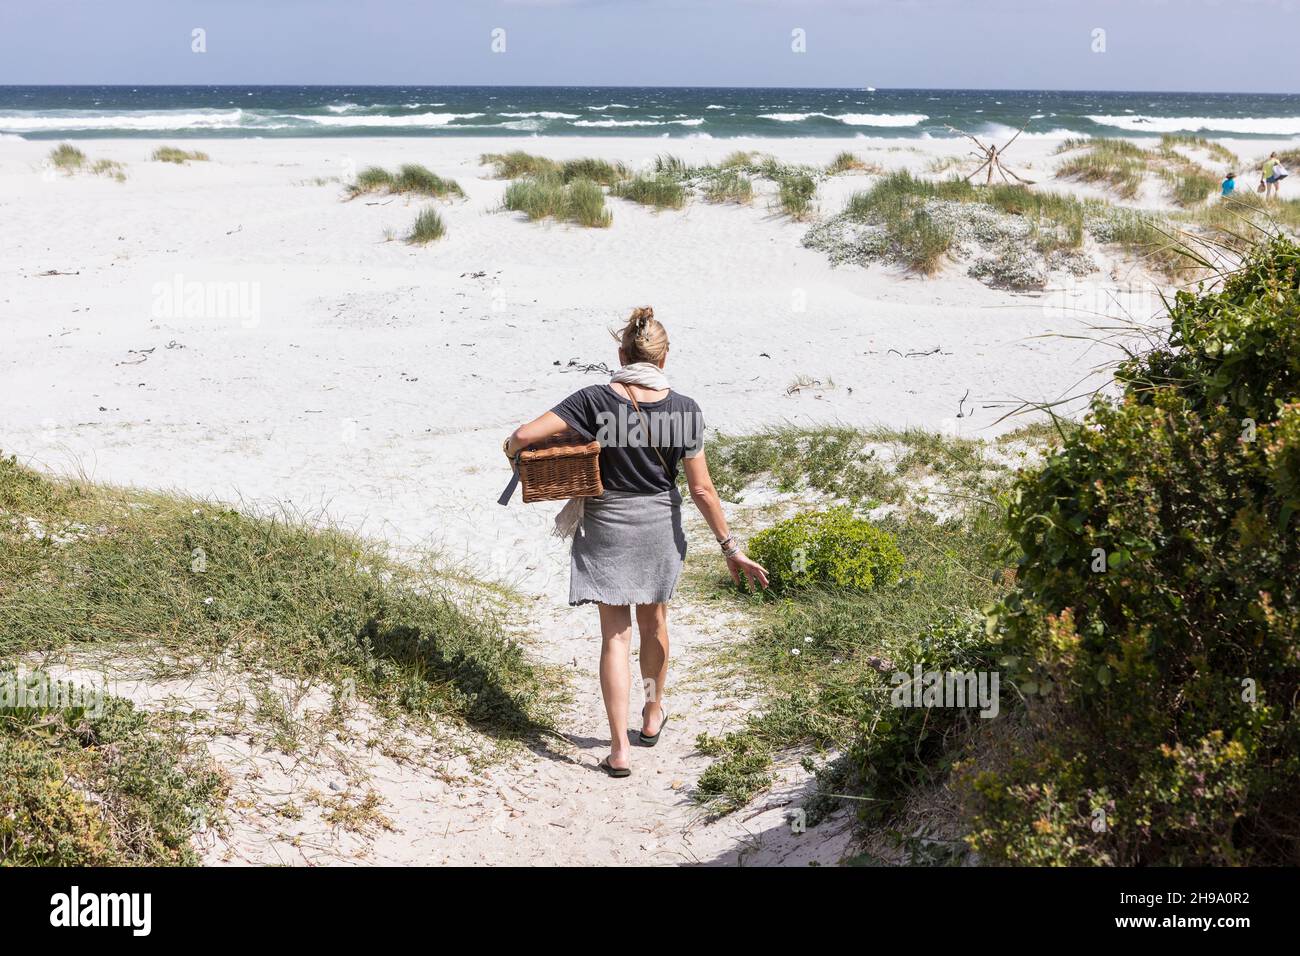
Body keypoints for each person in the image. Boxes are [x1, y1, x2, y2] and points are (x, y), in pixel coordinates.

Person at [504, 307, 768, 778]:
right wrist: (732, 548)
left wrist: (512, 452)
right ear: (664, 358)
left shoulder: (592, 399)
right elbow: (703, 490)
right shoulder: (685, 409)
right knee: (655, 624)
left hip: (606, 521)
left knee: (614, 637)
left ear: (621, 353)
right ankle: (652, 712)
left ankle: (619, 747)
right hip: (657, 524)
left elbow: (524, 435)